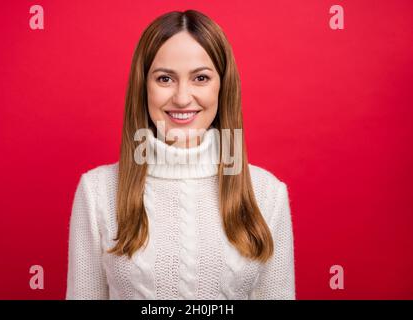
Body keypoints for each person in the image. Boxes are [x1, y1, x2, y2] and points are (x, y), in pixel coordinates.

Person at [66, 9, 295, 300]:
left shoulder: (267, 192)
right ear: (143, 87)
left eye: (200, 78)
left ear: (222, 87)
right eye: (165, 79)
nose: (183, 98)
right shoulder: (97, 191)